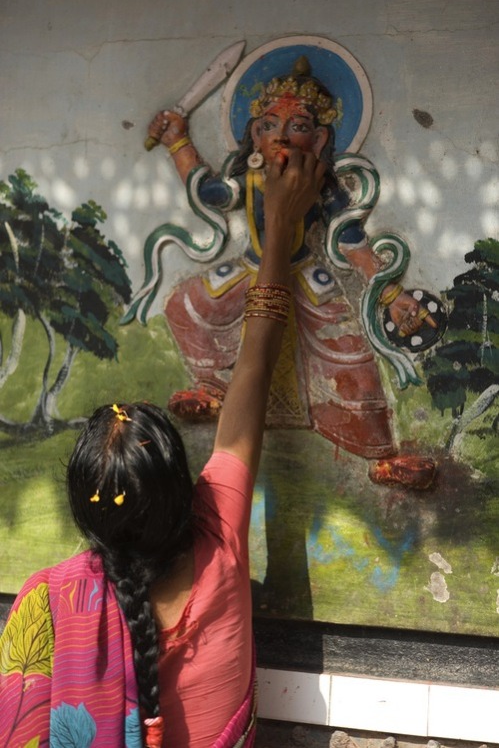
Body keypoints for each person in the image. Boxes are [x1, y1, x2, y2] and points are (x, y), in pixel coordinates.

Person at [0, 150, 326, 747]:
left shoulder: (49, 606)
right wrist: (280, 226)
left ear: (86, 515)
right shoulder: (219, 543)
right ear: (186, 492)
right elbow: (252, 371)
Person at [139, 56, 437, 488]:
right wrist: (177, 141)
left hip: (303, 273)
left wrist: (390, 295)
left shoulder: (321, 183)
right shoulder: (248, 178)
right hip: (249, 269)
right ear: (254, 133)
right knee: (186, 306)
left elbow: (350, 238)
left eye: (296, 125)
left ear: (318, 139)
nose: (279, 134)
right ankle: (211, 388)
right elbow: (209, 191)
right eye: (269, 124)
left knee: (351, 352)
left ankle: (381, 453)